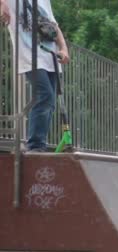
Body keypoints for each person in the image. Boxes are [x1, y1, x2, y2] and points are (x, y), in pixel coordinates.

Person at [2, 0, 70, 152]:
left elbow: (54, 25)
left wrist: (64, 48)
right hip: (29, 56)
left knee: (50, 101)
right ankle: (35, 145)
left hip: (50, 55)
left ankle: (40, 143)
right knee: (45, 95)